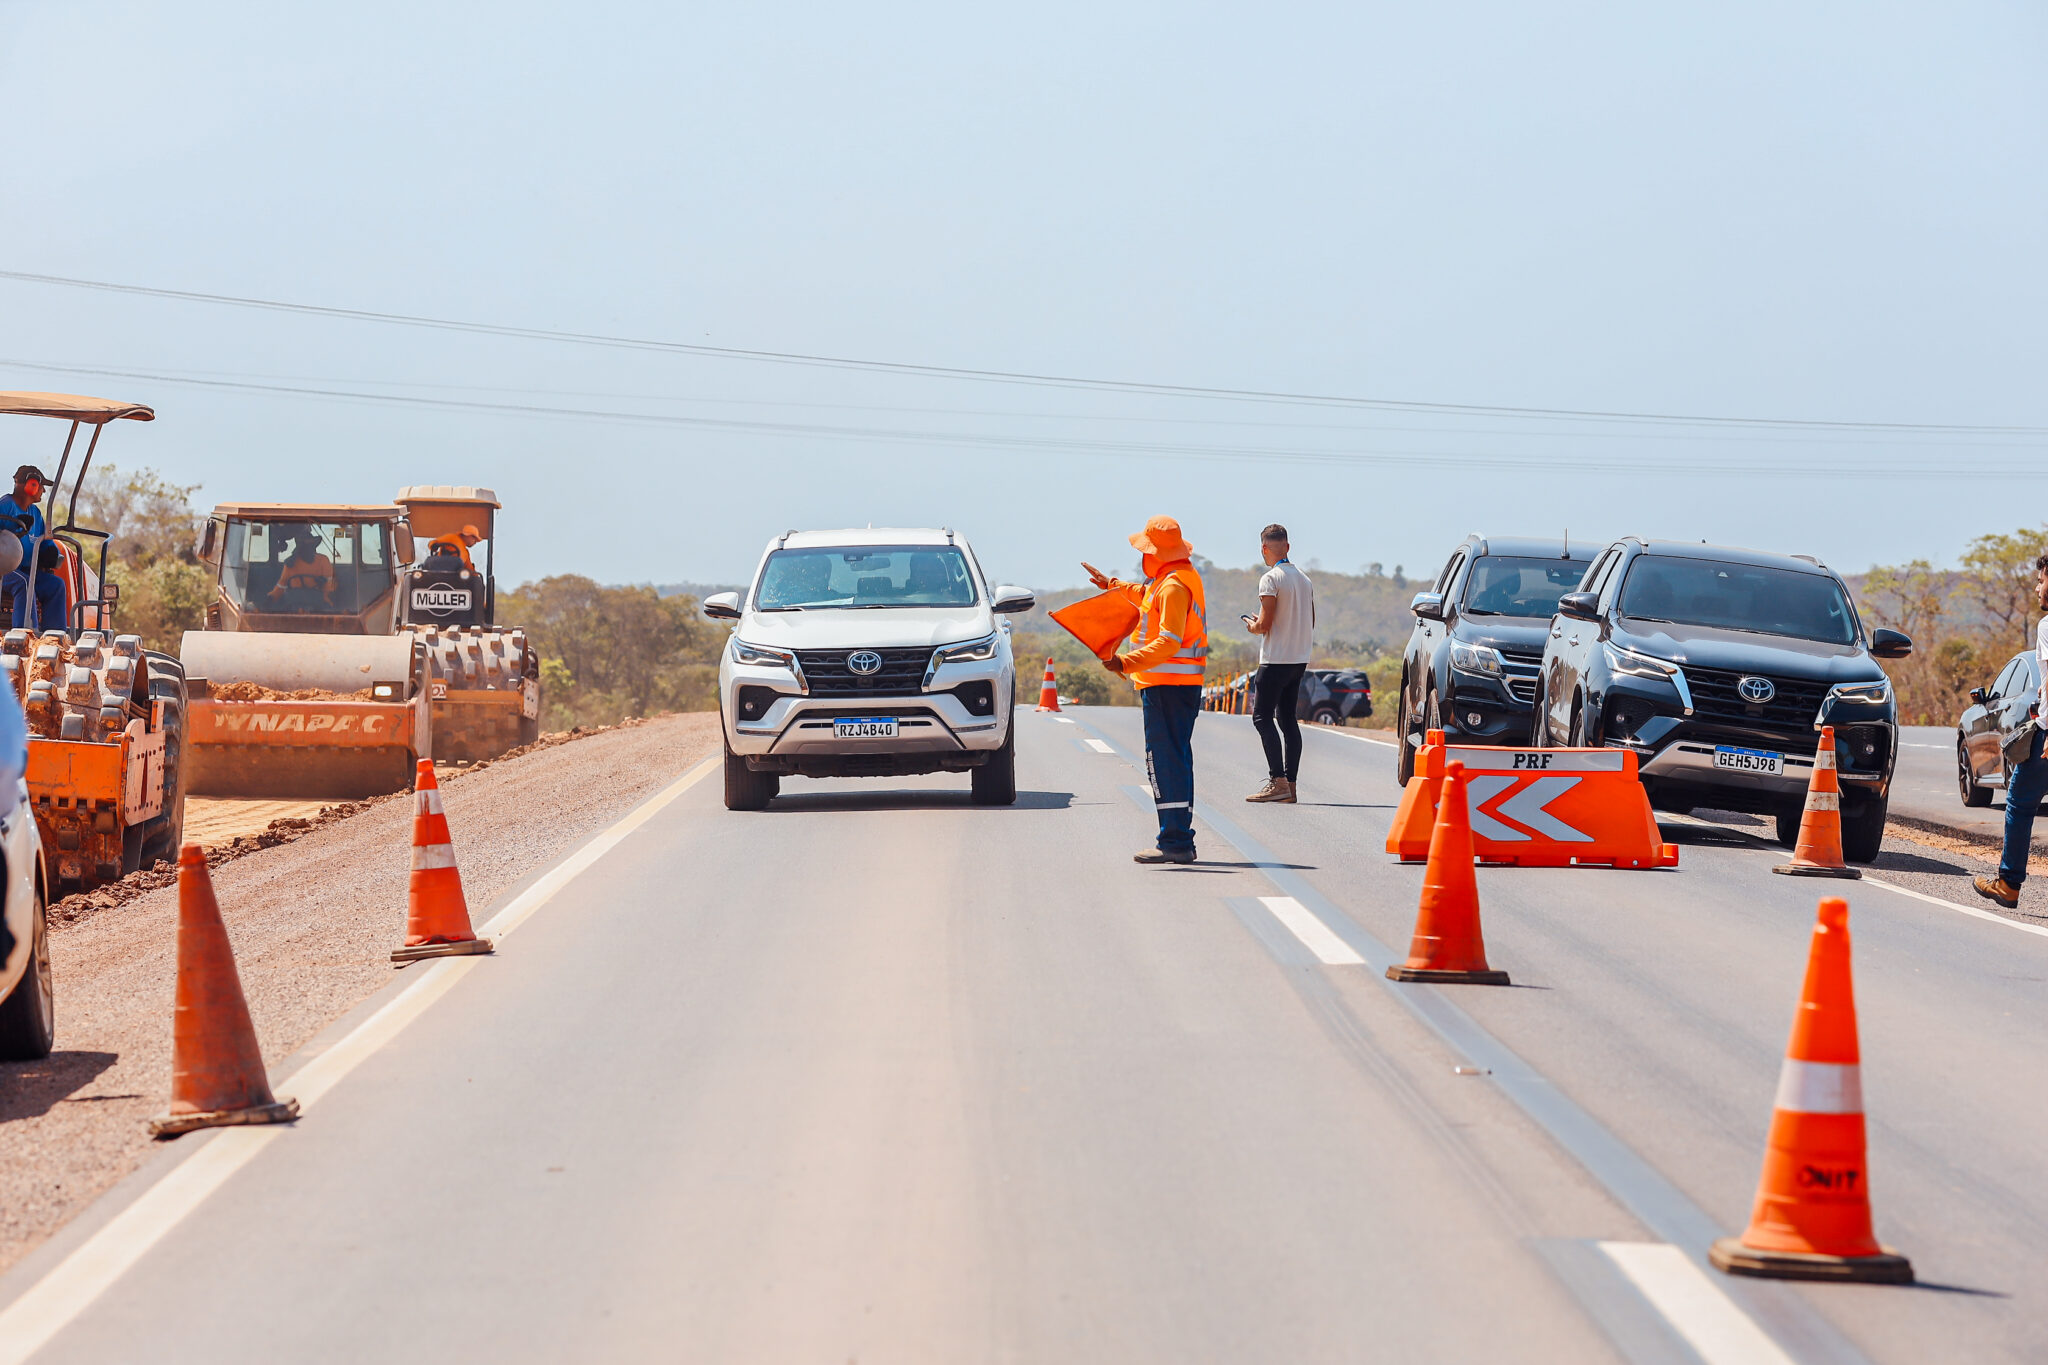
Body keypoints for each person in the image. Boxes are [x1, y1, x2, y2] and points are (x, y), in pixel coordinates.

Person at [1082, 515, 1209, 864]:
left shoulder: (1172, 587)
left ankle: (1175, 842)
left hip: (1168, 685)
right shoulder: (1174, 579)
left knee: (1165, 763)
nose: (1141, 557)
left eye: (1144, 550)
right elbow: (1144, 595)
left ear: (1155, 554)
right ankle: (1178, 837)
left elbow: (1167, 641)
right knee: (1176, 760)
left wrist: (1125, 662)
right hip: (1176, 686)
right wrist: (1112, 584)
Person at [1976, 553, 2048, 909]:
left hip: (2047, 739)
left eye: (2041, 580)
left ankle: (2008, 884)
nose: (2037, 587)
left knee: (2019, 805)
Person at [1244, 523, 1315, 803]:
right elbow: (1310, 621)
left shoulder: (1270, 579)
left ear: (1264, 548)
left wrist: (1252, 626)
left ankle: (1278, 781)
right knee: (1287, 719)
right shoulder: (1305, 580)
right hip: (1299, 659)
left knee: (1261, 717)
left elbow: (1265, 624)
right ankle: (1291, 786)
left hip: (1275, 660)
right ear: (1287, 546)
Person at [0, 465, 66, 632]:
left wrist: (51, 553)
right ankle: (25, 635)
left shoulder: (35, 513)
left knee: (56, 585)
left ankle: (54, 636)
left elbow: (44, 542)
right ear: (31, 485)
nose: (43, 491)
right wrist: (15, 531)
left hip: (25, 570)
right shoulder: (5, 506)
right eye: (41, 486)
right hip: (5, 570)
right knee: (24, 583)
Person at [267, 527, 337, 611]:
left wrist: (323, 584)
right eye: (305, 547)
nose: (310, 549)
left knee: (329, 612)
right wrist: (270, 599)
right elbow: (281, 587)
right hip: (294, 605)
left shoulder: (323, 560)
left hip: (319, 604)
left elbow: (330, 587)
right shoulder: (290, 564)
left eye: (312, 546)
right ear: (300, 549)